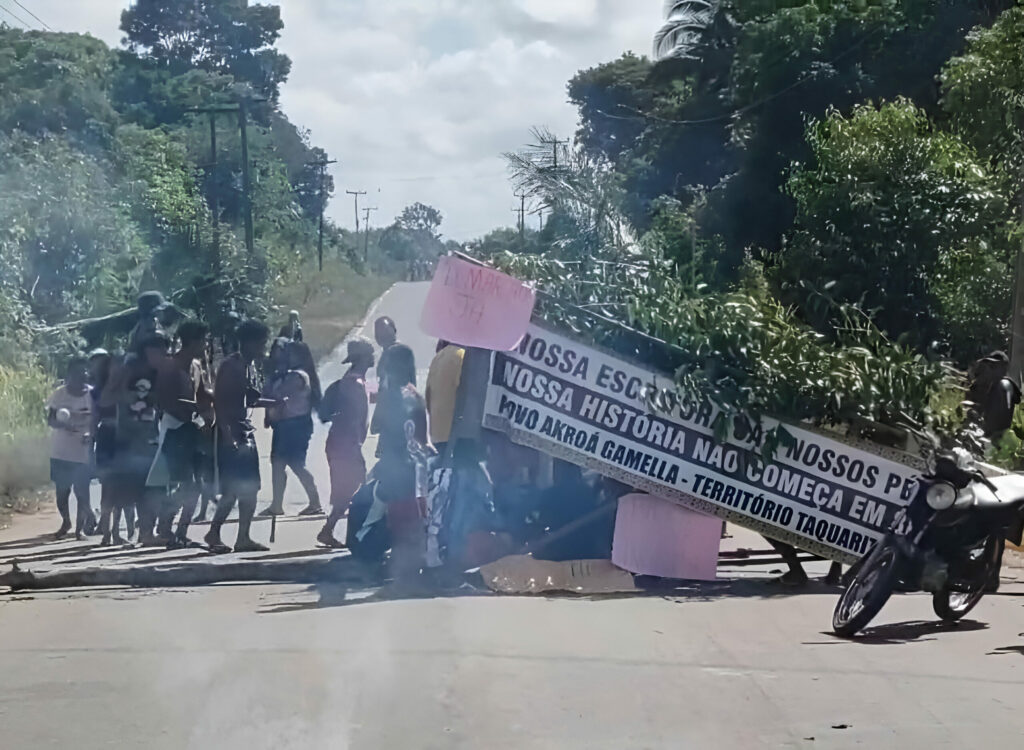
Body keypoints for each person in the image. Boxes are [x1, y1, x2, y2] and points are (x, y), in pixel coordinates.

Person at [205, 319, 273, 554]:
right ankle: (214, 532)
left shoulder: (248, 366)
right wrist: (227, 436)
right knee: (233, 489)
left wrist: (275, 403)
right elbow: (221, 404)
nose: (264, 347)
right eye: (261, 343)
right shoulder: (231, 366)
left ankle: (243, 537)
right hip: (232, 433)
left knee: (251, 488)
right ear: (250, 342)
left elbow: (247, 399)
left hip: (243, 430)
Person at [100, 332, 168, 546]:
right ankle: (138, 533)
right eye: (160, 351)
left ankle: (146, 533)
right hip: (128, 443)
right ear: (148, 351)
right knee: (133, 491)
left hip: (151, 441)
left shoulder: (160, 374)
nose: (163, 355)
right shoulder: (126, 372)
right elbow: (104, 400)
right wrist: (116, 380)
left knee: (154, 490)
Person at [154, 320, 214, 548]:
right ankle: (165, 526)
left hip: (191, 428)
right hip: (173, 430)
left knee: (197, 485)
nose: (206, 345)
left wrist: (211, 410)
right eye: (203, 341)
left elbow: (201, 396)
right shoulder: (170, 366)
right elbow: (163, 401)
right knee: (184, 483)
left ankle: (180, 530)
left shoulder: (197, 366)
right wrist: (192, 410)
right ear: (194, 341)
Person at [316, 339, 374, 548]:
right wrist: (355, 445)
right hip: (346, 444)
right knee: (355, 490)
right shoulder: (354, 384)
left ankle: (333, 531)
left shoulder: (353, 381)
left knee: (353, 490)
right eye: (370, 353)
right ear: (364, 358)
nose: (374, 356)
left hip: (343, 443)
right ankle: (344, 533)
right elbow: (354, 417)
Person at [259, 339, 323, 517]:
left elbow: (276, 395)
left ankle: (315, 502)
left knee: (296, 464)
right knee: (277, 464)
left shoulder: (298, 376)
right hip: (283, 424)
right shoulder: (284, 374)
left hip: (296, 425)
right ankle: (276, 504)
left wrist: (271, 378)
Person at [46, 357, 94, 540]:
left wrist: (91, 435)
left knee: (82, 492)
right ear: (70, 375)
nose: (82, 375)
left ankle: (78, 530)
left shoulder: (92, 395)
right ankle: (66, 520)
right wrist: (64, 426)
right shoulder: (59, 395)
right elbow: (51, 420)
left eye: (84, 372)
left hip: (83, 452)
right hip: (61, 451)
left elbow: (97, 421)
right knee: (62, 492)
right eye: (77, 372)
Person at [425, 340, 465, 456]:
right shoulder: (461, 355)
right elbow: (464, 393)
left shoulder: (437, 358)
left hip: (436, 431)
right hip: (454, 433)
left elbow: (428, 396)